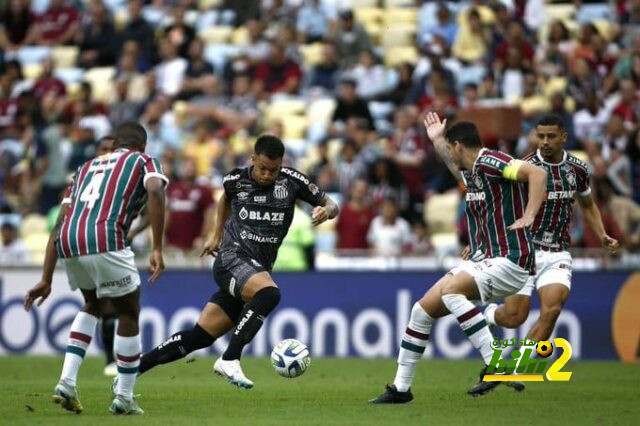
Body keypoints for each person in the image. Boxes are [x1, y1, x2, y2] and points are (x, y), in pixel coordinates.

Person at [369, 112, 548, 404]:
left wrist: (529, 214)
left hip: (512, 258)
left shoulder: (492, 162)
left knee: (452, 292)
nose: (451, 157)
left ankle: (497, 363)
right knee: (422, 310)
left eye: (450, 147)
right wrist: (438, 139)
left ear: (459, 146)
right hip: (484, 258)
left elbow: (537, 174)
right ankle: (401, 389)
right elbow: (453, 166)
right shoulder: (473, 173)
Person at [135, 135, 339, 389]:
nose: (267, 175)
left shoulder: (292, 181)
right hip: (231, 259)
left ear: (281, 165)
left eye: (273, 170)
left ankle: (133, 369)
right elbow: (225, 200)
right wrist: (216, 234)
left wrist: (327, 211)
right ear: (252, 159)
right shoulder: (235, 180)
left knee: (199, 337)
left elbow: (331, 204)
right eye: (262, 168)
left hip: (256, 267)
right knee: (269, 294)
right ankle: (230, 358)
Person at [23, 122, 168, 415]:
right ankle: (125, 397)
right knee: (128, 311)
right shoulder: (143, 160)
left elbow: (60, 220)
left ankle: (66, 381)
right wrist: (156, 247)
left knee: (93, 304)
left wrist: (46, 277)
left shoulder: (86, 167)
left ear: (114, 145)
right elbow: (155, 191)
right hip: (105, 238)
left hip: (68, 240)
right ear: (142, 145)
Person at [482, 115, 620, 387]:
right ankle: (487, 315)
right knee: (514, 317)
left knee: (552, 311)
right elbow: (499, 205)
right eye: (540, 136)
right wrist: (481, 240)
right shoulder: (524, 167)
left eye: (551, 136)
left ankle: (518, 368)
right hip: (523, 251)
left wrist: (602, 234)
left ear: (563, 137)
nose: (544, 142)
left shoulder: (578, 169)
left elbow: (588, 204)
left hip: (557, 251)